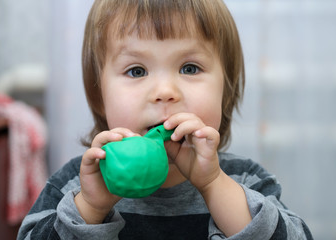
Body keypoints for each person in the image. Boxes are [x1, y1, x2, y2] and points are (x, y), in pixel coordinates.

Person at [17, 0, 313, 239]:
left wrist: (213, 185)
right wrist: (90, 209)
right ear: (99, 96)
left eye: (190, 68)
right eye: (136, 71)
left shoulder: (246, 181)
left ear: (226, 92)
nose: (165, 92)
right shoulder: (76, 185)